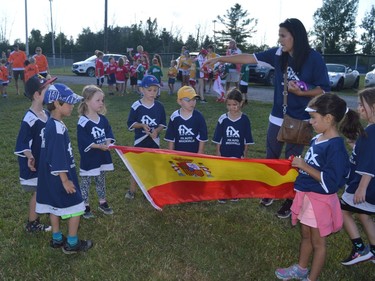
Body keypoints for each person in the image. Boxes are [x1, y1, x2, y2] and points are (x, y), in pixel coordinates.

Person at [205, 18, 330, 219]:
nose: (279, 39)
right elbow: (248, 58)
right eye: (279, 35)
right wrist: (221, 59)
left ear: (295, 36)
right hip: (277, 117)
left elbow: (323, 89)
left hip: (300, 119)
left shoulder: (313, 58)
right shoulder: (278, 54)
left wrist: (301, 93)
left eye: (283, 35)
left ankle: (290, 197)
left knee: (293, 161)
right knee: (271, 157)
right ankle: (270, 192)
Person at [275, 93, 364, 281]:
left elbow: (330, 183)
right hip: (307, 197)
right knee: (306, 235)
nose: (310, 121)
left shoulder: (336, 147)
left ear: (328, 118)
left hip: (320, 202)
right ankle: (301, 268)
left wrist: (304, 166)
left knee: (319, 243)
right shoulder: (318, 139)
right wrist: (299, 165)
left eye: (313, 118)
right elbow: (313, 166)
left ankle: (311, 278)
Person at [36, 83, 93, 254]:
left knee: (54, 207)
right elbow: (57, 156)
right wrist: (65, 179)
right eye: (69, 103)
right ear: (57, 104)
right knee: (76, 207)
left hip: (49, 177)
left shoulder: (51, 124)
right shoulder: (57, 128)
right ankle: (72, 243)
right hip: (60, 177)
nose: (72, 106)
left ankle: (57, 238)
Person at [14, 75, 56, 233]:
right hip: (34, 164)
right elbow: (22, 142)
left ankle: (53, 212)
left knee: (47, 188)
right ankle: (32, 223)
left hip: (45, 161)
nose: (50, 90)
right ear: (37, 95)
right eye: (47, 88)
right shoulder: (29, 119)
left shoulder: (46, 113)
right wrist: (29, 156)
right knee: (39, 192)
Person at [340, 87, 375, 266]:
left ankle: (360, 249)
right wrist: (356, 146)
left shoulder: (371, 133)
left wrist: (361, 187)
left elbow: (369, 163)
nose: (359, 108)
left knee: (343, 211)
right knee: (364, 215)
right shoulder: (370, 131)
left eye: (362, 105)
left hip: (363, 186)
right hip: (368, 187)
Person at [77, 85, 115, 219]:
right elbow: (83, 140)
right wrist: (99, 146)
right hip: (90, 158)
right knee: (86, 181)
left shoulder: (103, 119)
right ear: (87, 100)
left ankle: (102, 202)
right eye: (98, 100)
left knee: (101, 179)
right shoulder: (83, 122)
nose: (101, 103)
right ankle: (84, 205)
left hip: (102, 157)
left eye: (102, 100)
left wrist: (108, 143)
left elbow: (109, 132)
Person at [125, 75, 166, 199]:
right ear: (142, 89)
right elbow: (131, 123)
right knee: (137, 167)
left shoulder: (159, 106)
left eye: (155, 90)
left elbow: (162, 124)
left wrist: (156, 131)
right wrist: (142, 125)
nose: (152, 93)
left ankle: (150, 191)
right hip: (140, 141)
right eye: (149, 90)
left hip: (154, 141)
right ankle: (132, 191)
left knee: (152, 167)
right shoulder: (136, 106)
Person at [212, 88, 254, 203]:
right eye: (229, 104)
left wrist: (244, 154)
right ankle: (223, 193)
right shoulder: (223, 119)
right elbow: (218, 138)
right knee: (224, 173)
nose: (231, 107)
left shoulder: (245, 119)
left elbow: (247, 139)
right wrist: (218, 153)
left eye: (234, 104)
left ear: (240, 103)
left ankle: (235, 193)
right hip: (225, 151)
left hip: (237, 151)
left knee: (236, 173)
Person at [164, 86, 208, 154]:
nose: (192, 102)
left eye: (194, 99)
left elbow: (202, 137)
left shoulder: (199, 117)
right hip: (178, 153)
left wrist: (200, 152)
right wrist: (171, 153)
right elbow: (171, 138)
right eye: (188, 100)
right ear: (179, 101)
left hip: (194, 153)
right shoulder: (175, 117)